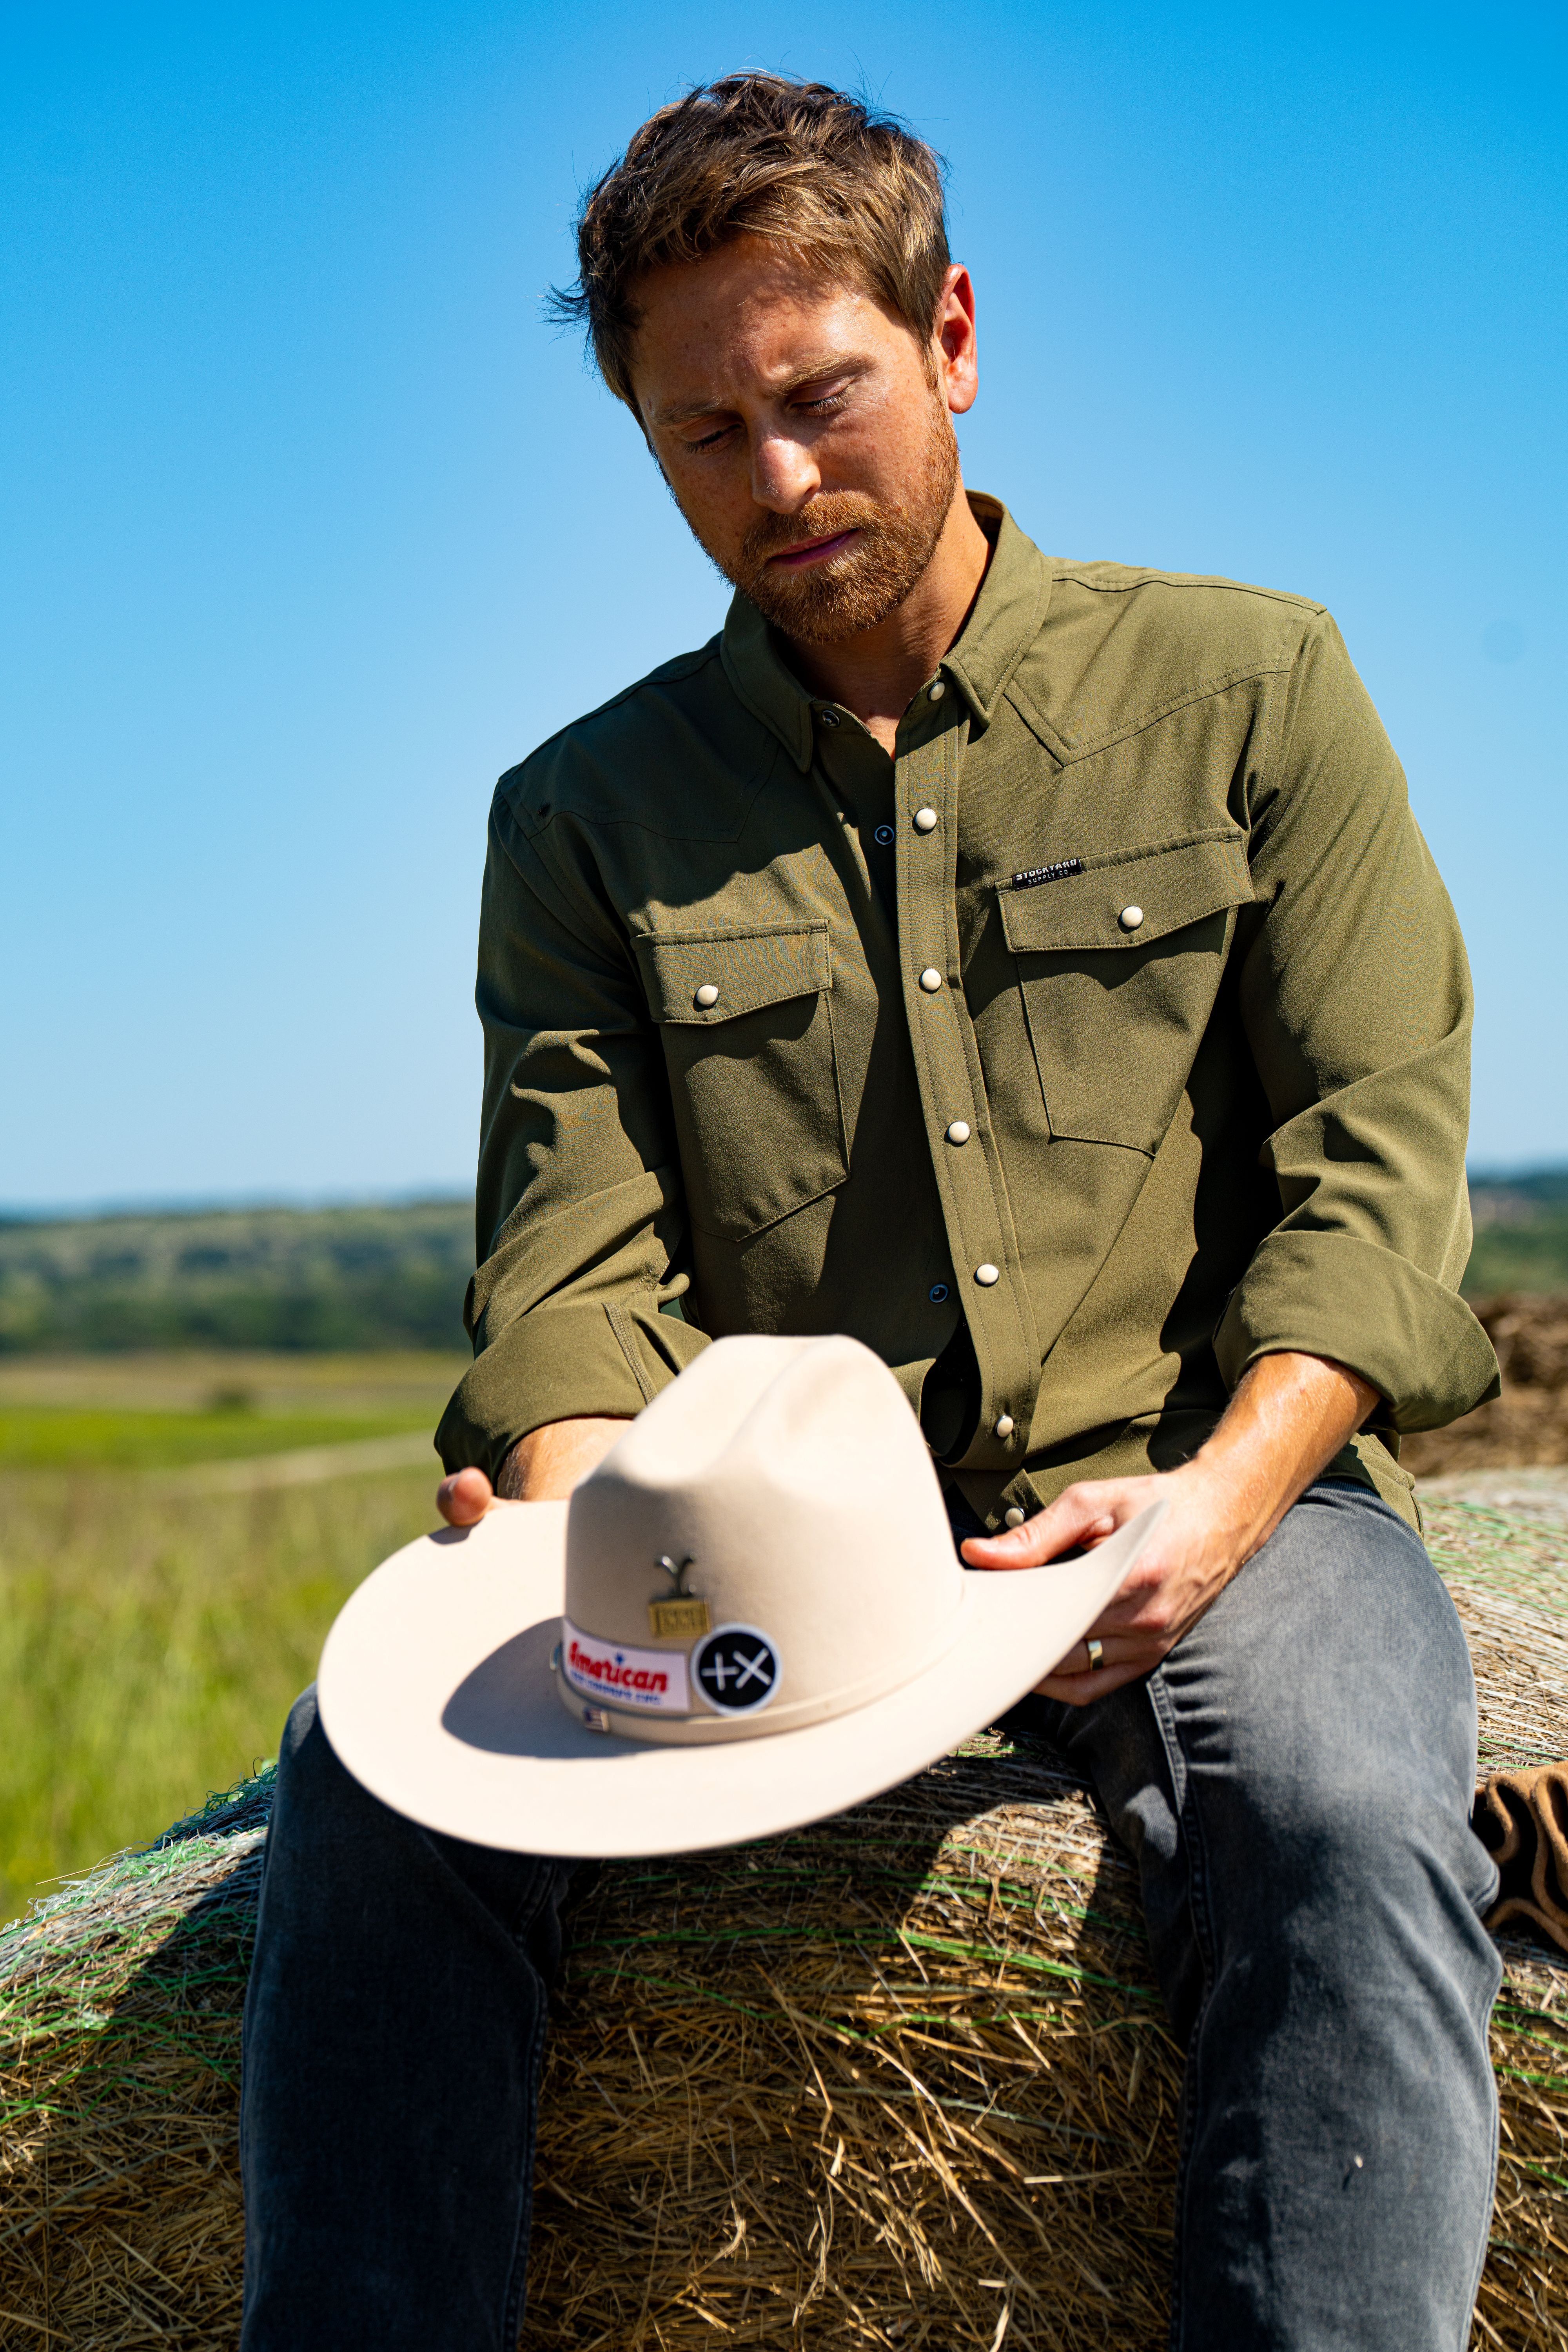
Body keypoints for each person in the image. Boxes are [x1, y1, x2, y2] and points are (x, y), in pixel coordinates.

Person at [240, 74, 1504, 2351]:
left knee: (1340, 1820)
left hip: (1207, 1486)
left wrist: (1211, 1511)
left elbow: (1377, 1167)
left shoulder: (1258, 688)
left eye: (817, 398)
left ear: (954, 338)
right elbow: (569, 1254)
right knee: (369, 1802)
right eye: (700, 436)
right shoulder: (584, 815)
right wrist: (571, 1512)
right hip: (776, 1556)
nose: (779, 483)